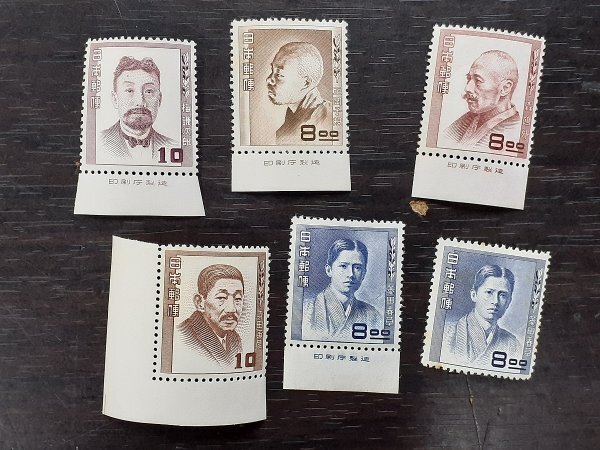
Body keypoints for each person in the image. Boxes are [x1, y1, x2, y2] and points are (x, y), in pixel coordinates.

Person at [98, 56, 176, 164]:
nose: (140, 102)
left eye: (149, 91)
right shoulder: (98, 143)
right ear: (115, 99)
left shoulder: (172, 145)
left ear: (159, 100)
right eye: (129, 90)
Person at [441, 264, 521, 366]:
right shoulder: (446, 332)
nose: (495, 301)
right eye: (489, 292)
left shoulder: (513, 345)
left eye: (502, 295)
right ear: (474, 295)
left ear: (509, 301)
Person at [302, 239, 381, 341]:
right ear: (329, 270)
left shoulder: (373, 315)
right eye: (343, 266)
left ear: (364, 273)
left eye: (357, 267)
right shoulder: (306, 309)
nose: (351, 274)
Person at [441, 50, 521, 150]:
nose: (467, 88)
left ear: (505, 88)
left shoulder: (513, 130)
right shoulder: (467, 120)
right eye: (469, 79)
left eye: (478, 81)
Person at [178, 264, 244, 369]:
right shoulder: (184, 335)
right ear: (199, 302)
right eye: (221, 298)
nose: (231, 309)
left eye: (238, 299)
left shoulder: (235, 339)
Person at [266, 42, 332, 145]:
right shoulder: (290, 121)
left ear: (306, 83)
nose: (269, 80)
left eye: (279, 74)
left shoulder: (328, 120)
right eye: (272, 70)